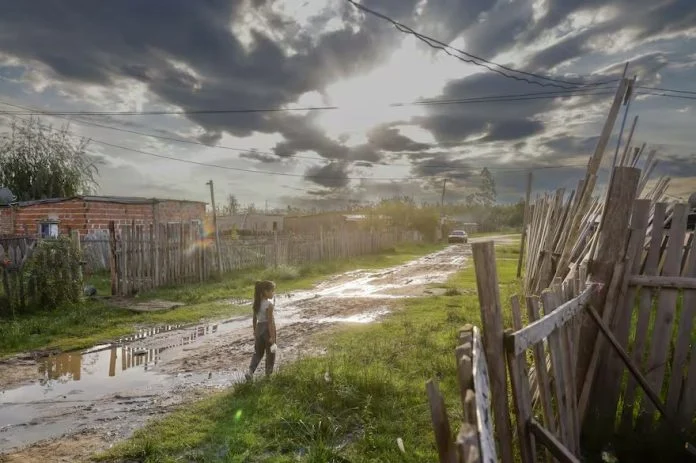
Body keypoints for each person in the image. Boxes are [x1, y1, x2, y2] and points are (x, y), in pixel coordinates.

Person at [245, 280, 277, 381]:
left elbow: (254, 319)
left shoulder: (256, 304)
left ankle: (250, 371)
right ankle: (268, 376)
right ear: (265, 291)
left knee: (258, 353)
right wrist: (272, 336)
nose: (273, 293)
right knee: (271, 353)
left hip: (259, 329)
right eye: (272, 291)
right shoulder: (269, 305)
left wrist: (255, 331)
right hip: (268, 330)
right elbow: (270, 322)